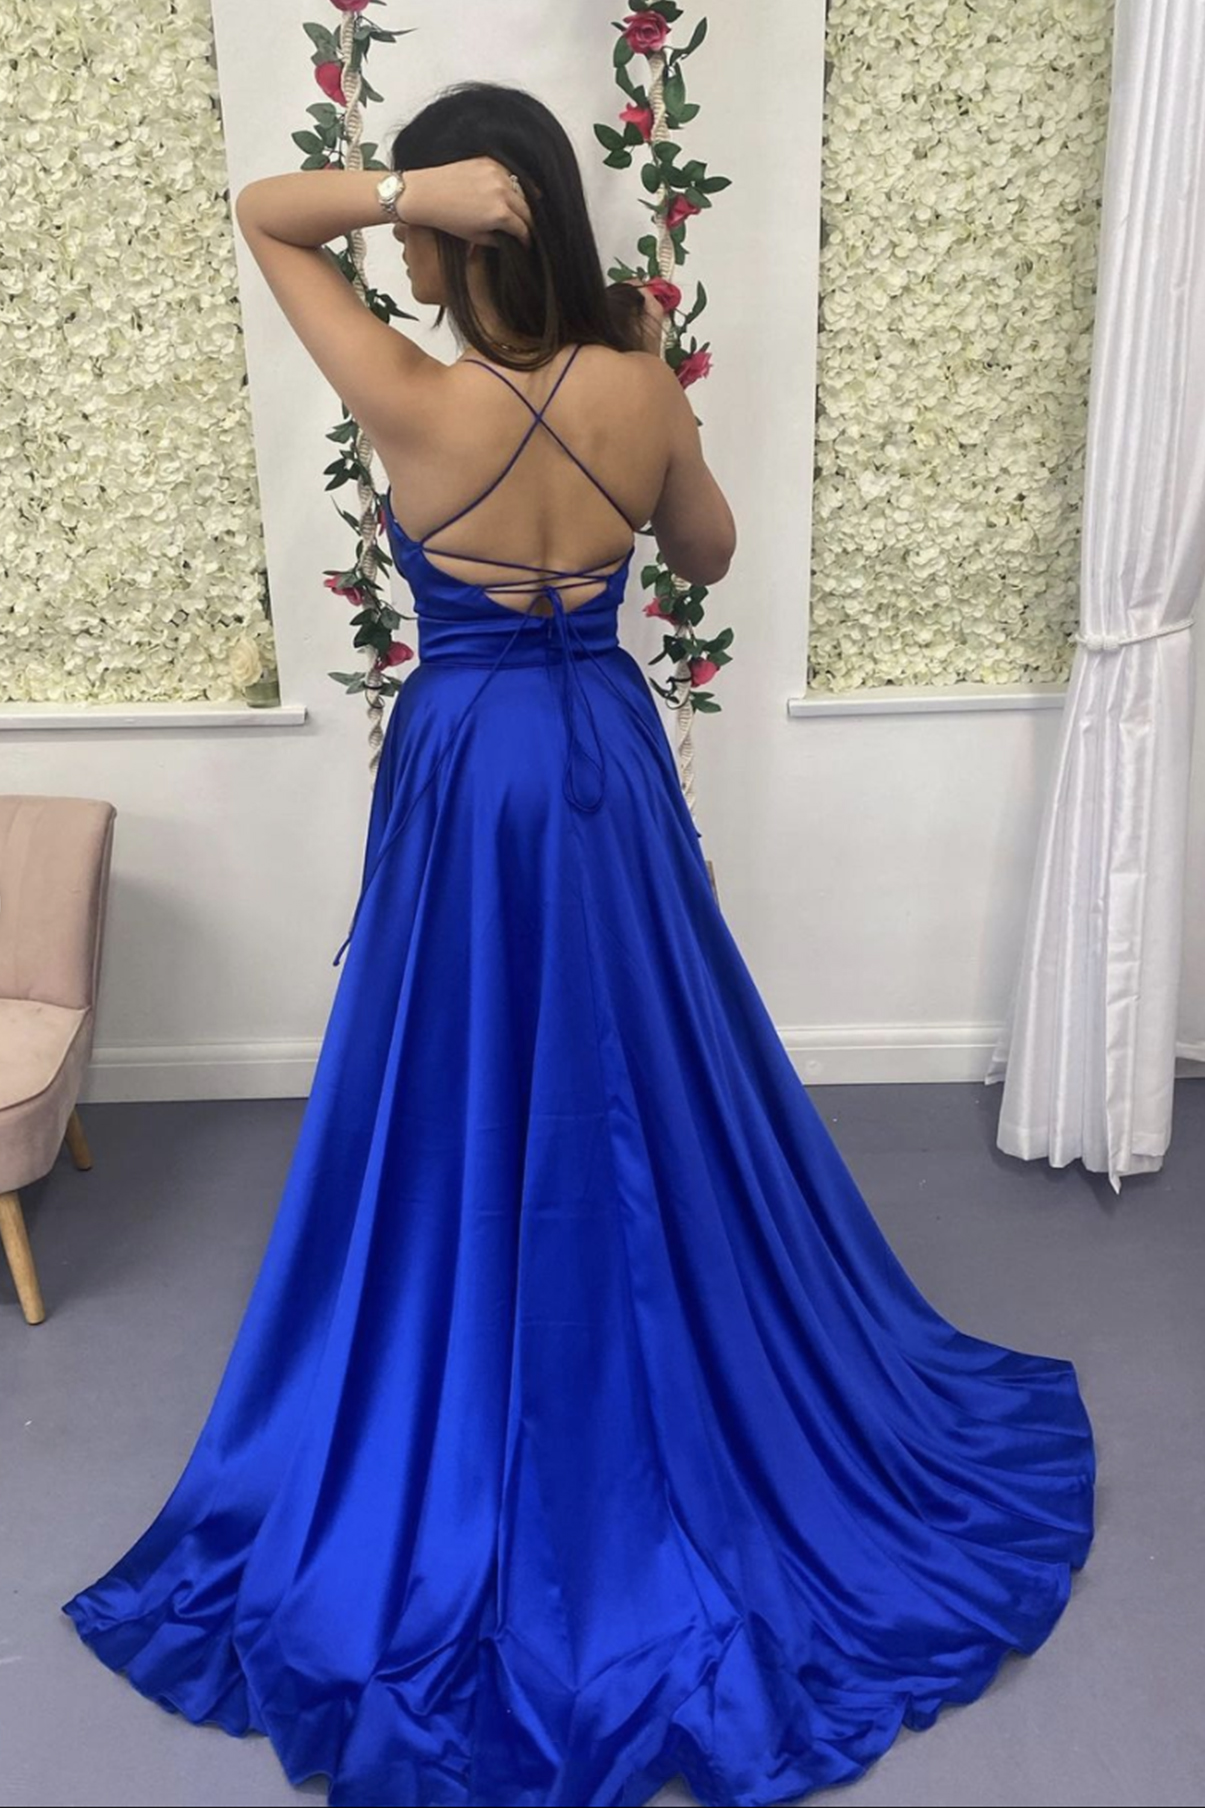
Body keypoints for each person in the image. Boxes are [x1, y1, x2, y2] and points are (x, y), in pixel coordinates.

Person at [61, 81, 1094, 1808]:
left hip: (476, 765)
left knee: (466, 1052)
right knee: (638, 1048)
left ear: (457, 229)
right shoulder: (637, 383)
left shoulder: (409, 397)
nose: (403, 253)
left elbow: (263, 211)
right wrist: (632, 427)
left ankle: (483, 1319)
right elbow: (708, 551)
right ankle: (655, 1312)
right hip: (601, 746)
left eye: (421, 229)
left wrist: (406, 187)